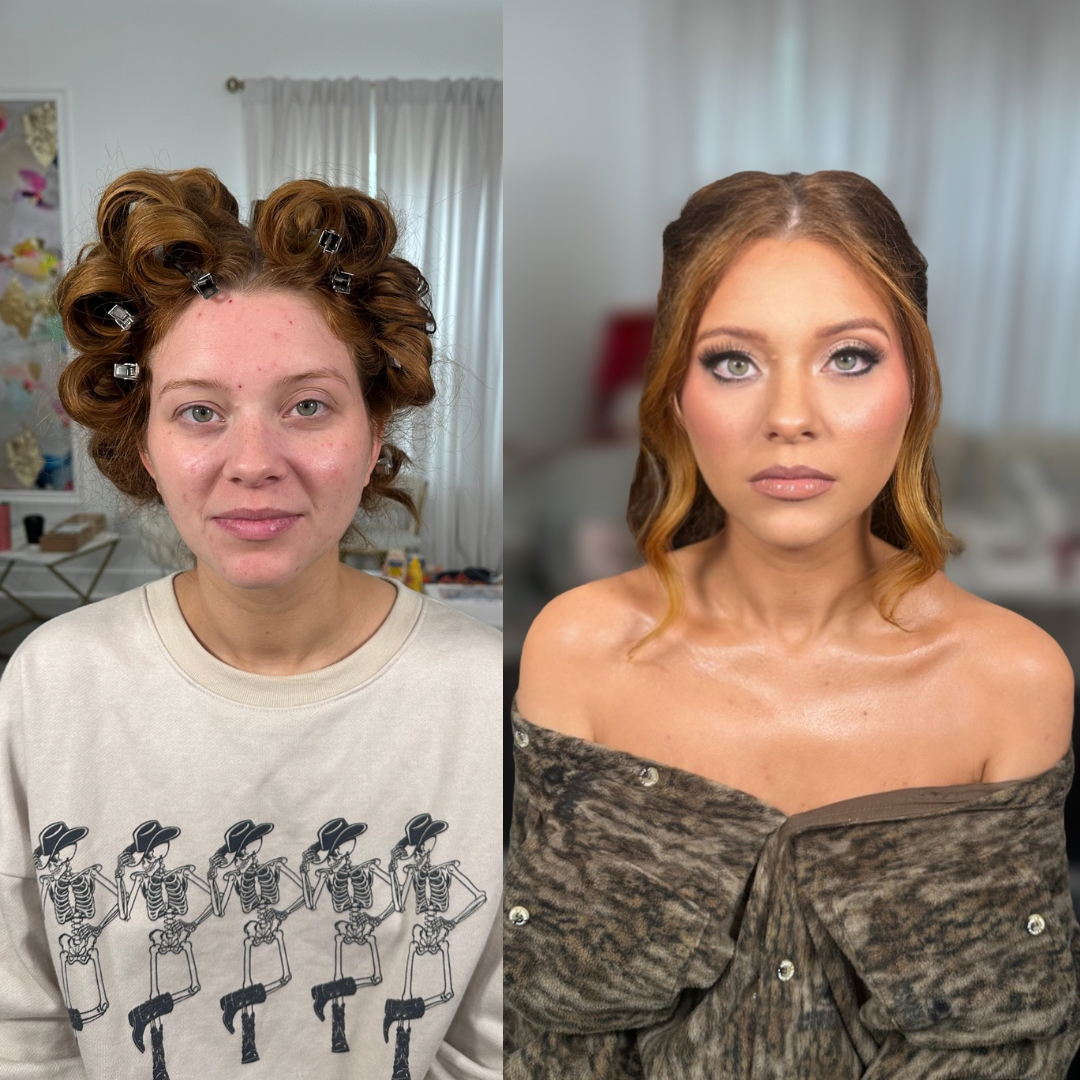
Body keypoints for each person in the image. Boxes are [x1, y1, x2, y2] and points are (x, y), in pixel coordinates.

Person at [505, 170, 1079, 1078]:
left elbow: (1017, 1051)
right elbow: (547, 1040)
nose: (789, 418)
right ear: (675, 396)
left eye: (848, 357)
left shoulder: (1016, 679)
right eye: (733, 361)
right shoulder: (577, 652)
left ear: (915, 384)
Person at [0, 168, 502, 1080]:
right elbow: (21, 1030)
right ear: (143, 443)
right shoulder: (51, 682)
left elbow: (501, 1043)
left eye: (307, 406)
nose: (255, 463)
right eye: (200, 412)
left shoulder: (487, 697)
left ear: (377, 426)